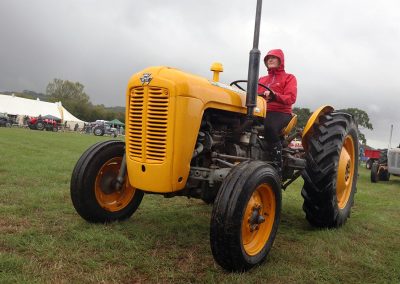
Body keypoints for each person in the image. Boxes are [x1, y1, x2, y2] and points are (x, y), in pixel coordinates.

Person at [257, 49, 297, 171]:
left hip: (281, 112)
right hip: (261, 111)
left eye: (273, 57)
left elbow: (291, 98)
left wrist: (275, 95)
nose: (270, 59)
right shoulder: (262, 79)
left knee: (269, 126)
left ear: (281, 60)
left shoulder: (289, 78)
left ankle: (277, 165)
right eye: (267, 58)